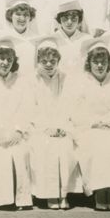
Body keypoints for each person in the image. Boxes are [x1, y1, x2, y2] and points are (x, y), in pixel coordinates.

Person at [68, 38, 110, 211]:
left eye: (103, 61)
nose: (100, 66)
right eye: (96, 61)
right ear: (89, 63)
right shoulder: (81, 83)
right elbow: (76, 111)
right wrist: (95, 123)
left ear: (109, 63)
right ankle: (101, 192)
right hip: (88, 128)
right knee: (98, 143)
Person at [0, 34, 34, 209]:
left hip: (17, 134)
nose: (5, 62)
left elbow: (27, 109)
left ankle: (20, 199)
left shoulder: (21, 82)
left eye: (9, 59)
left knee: (19, 152)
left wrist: (18, 131)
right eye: (1, 58)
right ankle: (0, 199)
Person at [26, 36, 79, 209]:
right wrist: (46, 128)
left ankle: (63, 193)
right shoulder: (32, 80)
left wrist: (61, 127)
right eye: (44, 61)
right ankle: (50, 194)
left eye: (53, 60)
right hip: (39, 129)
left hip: (62, 126)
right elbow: (31, 109)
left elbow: (68, 105)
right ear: (38, 61)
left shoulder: (65, 79)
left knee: (64, 146)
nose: (49, 64)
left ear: (58, 61)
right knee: (45, 146)